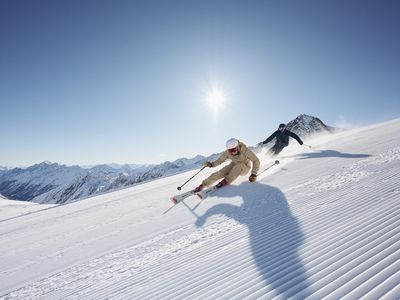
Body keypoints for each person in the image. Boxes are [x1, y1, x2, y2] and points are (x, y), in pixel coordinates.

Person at [194, 138, 260, 192]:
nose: (233, 152)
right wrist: (211, 164)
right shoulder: (227, 152)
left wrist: (253, 174)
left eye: (234, 150)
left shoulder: (245, 150)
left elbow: (256, 160)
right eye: (231, 151)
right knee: (220, 172)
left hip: (244, 167)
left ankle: (226, 181)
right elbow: (220, 160)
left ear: (237, 147)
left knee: (240, 165)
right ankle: (204, 184)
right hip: (233, 165)